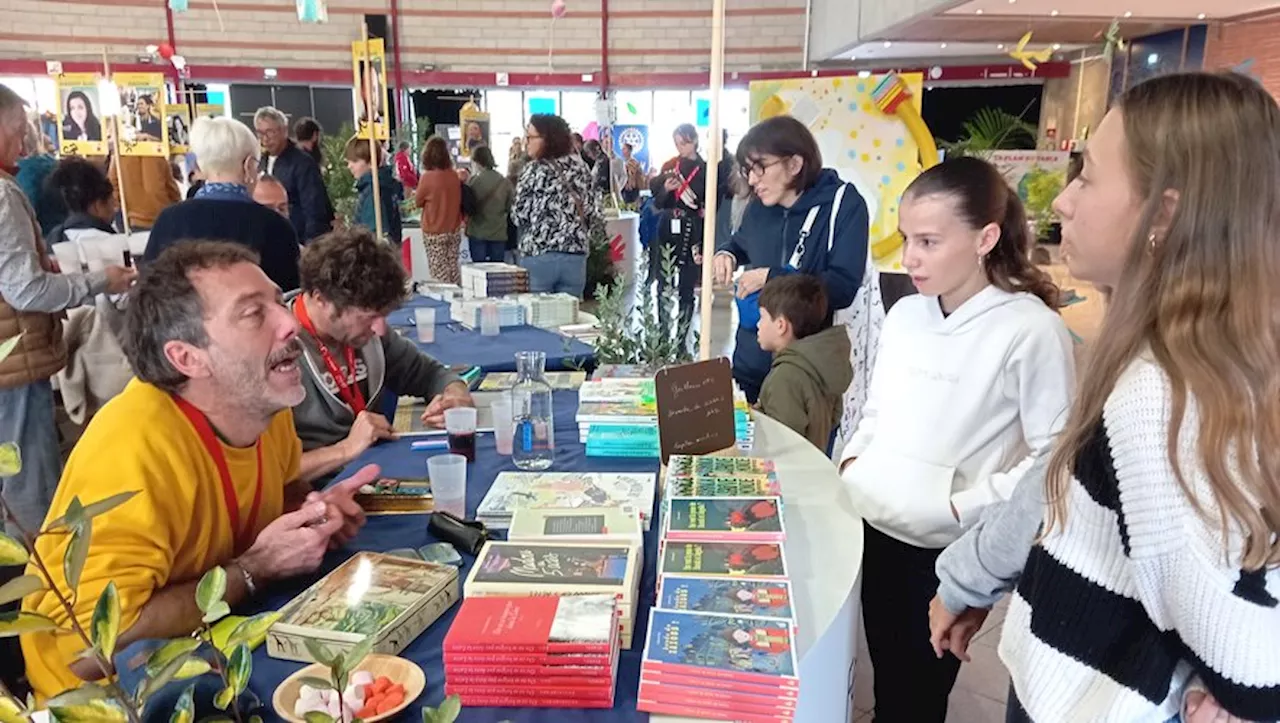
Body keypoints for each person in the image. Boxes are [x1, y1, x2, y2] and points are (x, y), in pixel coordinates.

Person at [930, 72, 1280, 723]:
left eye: (1087, 176)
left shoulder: (1159, 400)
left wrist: (1240, 693)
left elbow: (1245, 656)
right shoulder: (1195, 362)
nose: (1062, 201)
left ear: (1164, 214)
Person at [19, 241, 379, 703]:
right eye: (253, 314)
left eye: (276, 300)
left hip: (216, 643)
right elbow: (87, 652)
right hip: (116, 700)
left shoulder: (263, 402)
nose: (290, 321)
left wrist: (310, 512)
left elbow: (284, 486)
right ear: (187, 357)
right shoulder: (132, 449)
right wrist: (256, 569)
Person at [837, 156, 1074, 723]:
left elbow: (1056, 456)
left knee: (919, 692)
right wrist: (852, 462)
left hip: (949, 548)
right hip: (875, 525)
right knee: (887, 672)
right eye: (905, 239)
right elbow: (875, 409)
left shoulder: (1030, 328)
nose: (910, 257)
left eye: (928, 240)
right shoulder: (906, 317)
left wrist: (962, 504)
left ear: (985, 238)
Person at [0, 85, 135, 538]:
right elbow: (26, 290)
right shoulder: (2, 195)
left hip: (15, 359)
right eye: (18, 128)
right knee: (30, 490)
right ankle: (44, 596)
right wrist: (101, 281)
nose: (24, 139)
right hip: (14, 368)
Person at [288, 229, 474, 483]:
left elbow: (431, 373)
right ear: (321, 299)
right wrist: (345, 450)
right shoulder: (276, 354)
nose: (379, 329)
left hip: (371, 478)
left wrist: (455, 396)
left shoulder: (369, 335)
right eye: (368, 317)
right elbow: (267, 474)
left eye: (383, 315)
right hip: (314, 498)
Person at [713, 116, 871, 403]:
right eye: (748, 170)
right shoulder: (761, 207)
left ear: (795, 164)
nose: (751, 180)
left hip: (806, 373)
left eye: (759, 168)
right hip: (751, 363)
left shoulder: (842, 205)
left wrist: (771, 278)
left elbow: (843, 287)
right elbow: (741, 242)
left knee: (797, 447)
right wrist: (726, 252)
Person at [147, 116, 300, 291]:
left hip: (183, 318)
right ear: (248, 166)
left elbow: (149, 291)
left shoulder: (169, 220)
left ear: (200, 166)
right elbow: (288, 297)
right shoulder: (275, 226)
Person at [754, 274, 851, 452]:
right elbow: (833, 417)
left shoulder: (785, 378)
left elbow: (781, 442)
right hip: (811, 467)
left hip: (787, 476)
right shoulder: (820, 366)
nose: (758, 324)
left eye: (762, 317)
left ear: (781, 325)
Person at [512, 114, 601, 298]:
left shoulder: (534, 170)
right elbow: (593, 210)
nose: (526, 142)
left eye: (530, 137)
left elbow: (519, 215)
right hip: (575, 257)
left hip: (539, 254)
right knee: (569, 320)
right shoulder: (581, 169)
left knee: (538, 321)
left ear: (547, 139)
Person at [649, 123, 706, 338]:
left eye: (685, 142)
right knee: (663, 281)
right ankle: (663, 334)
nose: (681, 147)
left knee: (687, 284)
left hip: (692, 230)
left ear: (695, 140)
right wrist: (666, 189)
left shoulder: (705, 169)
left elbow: (708, 203)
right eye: (677, 143)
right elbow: (658, 202)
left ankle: (683, 337)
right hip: (667, 226)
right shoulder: (669, 166)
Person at [255, 106, 332, 243]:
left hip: (297, 239)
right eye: (260, 133)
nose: (265, 139)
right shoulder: (259, 162)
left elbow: (314, 209)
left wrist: (311, 246)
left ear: (284, 130)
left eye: (270, 132)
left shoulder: (303, 163)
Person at [413, 135, 464, 284]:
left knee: (439, 273)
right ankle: (457, 298)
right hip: (453, 229)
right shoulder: (454, 176)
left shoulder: (426, 178)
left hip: (434, 231)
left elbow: (417, 202)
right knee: (453, 269)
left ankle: (446, 303)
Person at [44, 157, 118, 247]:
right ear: (97, 205)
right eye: (112, 202)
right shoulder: (109, 242)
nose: (115, 207)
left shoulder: (54, 239)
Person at [345, 136, 403, 247]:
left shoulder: (373, 192)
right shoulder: (385, 185)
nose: (349, 166)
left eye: (355, 161)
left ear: (371, 162)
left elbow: (372, 236)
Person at [107, 153, 181, 231]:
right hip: (162, 218)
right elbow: (173, 191)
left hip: (134, 220)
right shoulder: (156, 154)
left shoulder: (120, 155)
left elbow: (113, 187)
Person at [16, 120, 65, 236]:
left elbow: (22, 221)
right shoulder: (53, 165)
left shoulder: (24, 173)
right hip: (61, 237)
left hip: (41, 240)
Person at [466, 146, 513, 263]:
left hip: (477, 231)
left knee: (478, 271)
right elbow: (510, 206)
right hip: (498, 232)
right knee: (497, 272)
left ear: (476, 161)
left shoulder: (473, 182)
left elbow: (468, 205)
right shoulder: (504, 182)